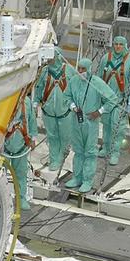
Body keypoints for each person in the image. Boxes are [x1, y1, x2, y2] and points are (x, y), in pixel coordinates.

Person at [65, 59, 118, 193]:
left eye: (83, 69)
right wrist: (72, 107)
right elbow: (67, 96)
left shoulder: (97, 83)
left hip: (91, 123)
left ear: (89, 69)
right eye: (79, 68)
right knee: (78, 151)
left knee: (90, 152)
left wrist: (99, 111)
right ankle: (77, 178)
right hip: (76, 121)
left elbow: (113, 99)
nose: (81, 71)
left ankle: (87, 180)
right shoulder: (73, 81)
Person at [97, 35, 130, 165]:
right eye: (116, 44)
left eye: (121, 44)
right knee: (106, 126)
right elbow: (99, 79)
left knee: (117, 127)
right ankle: (106, 147)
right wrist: (97, 97)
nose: (118, 47)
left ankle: (115, 152)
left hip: (120, 101)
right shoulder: (106, 58)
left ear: (125, 45)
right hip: (106, 101)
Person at [35, 47, 77, 175]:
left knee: (66, 136)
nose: (49, 59)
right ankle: (54, 159)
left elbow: (76, 88)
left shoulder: (69, 70)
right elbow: (39, 87)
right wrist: (35, 102)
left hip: (66, 112)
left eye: (51, 56)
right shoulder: (44, 72)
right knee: (52, 136)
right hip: (48, 111)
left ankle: (63, 158)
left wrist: (76, 105)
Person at [3, 92, 38, 210]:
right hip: (4, 146)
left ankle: (21, 198)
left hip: (21, 145)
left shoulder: (26, 102)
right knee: (0, 173)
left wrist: (33, 138)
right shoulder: (3, 101)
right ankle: (1, 199)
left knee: (21, 173)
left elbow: (32, 120)